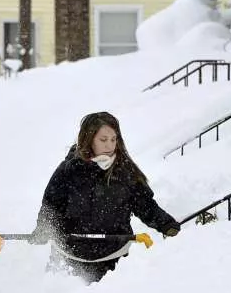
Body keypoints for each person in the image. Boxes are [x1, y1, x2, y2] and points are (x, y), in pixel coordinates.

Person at [30, 111, 181, 283]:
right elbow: (51, 206)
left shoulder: (125, 172)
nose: (109, 145)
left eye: (113, 139)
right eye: (103, 140)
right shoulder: (68, 171)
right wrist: (43, 230)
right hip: (69, 259)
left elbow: (145, 205)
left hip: (114, 262)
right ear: (89, 139)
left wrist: (166, 224)